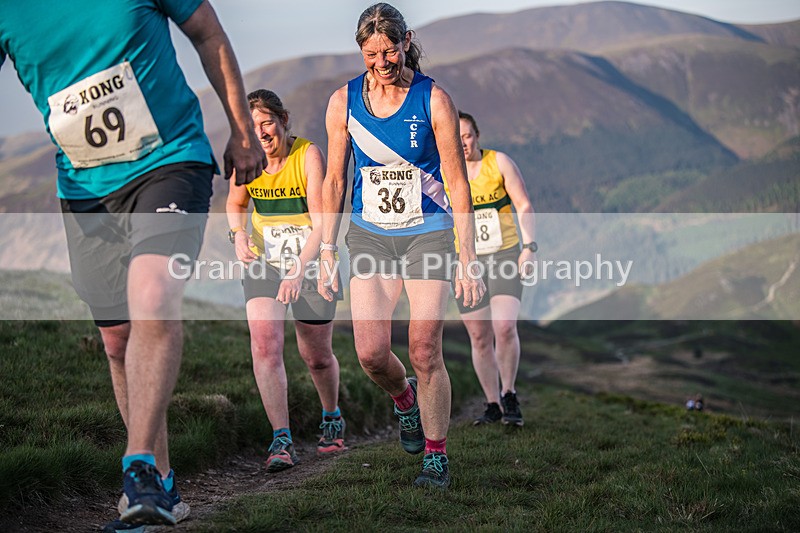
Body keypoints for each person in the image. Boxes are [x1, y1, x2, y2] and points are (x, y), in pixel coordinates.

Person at [0, 1, 266, 529]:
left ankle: (138, 467)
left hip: (170, 161)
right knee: (118, 339)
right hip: (85, 188)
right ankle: (160, 486)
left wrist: (242, 130)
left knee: (153, 294)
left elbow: (208, 32)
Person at [317, 3, 485, 489]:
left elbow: (457, 181)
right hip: (370, 235)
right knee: (371, 353)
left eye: (389, 51)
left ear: (406, 42)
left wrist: (468, 256)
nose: (381, 62)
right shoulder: (343, 101)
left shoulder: (434, 99)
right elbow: (334, 181)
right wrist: (327, 250)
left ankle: (436, 457)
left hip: (427, 232)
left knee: (424, 349)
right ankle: (405, 400)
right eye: (371, 55)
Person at [226, 89, 346, 473]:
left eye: (267, 124)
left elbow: (322, 222)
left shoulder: (308, 155)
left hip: (310, 261)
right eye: (253, 127)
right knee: (265, 345)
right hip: (265, 263)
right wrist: (238, 235)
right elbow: (235, 203)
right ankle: (281, 438)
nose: (261, 133)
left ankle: (332, 416)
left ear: (283, 120)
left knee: (316, 356)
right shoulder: (247, 158)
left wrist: (298, 271)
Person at [455, 111, 536, 427]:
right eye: (457, 138)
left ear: (476, 135)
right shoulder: (446, 172)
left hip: (504, 254)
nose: (463, 143)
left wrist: (529, 247)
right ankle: (492, 403)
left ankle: (509, 392)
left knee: (504, 327)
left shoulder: (499, 162)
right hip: (466, 262)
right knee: (479, 336)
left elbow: (524, 205)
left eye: (467, 136)